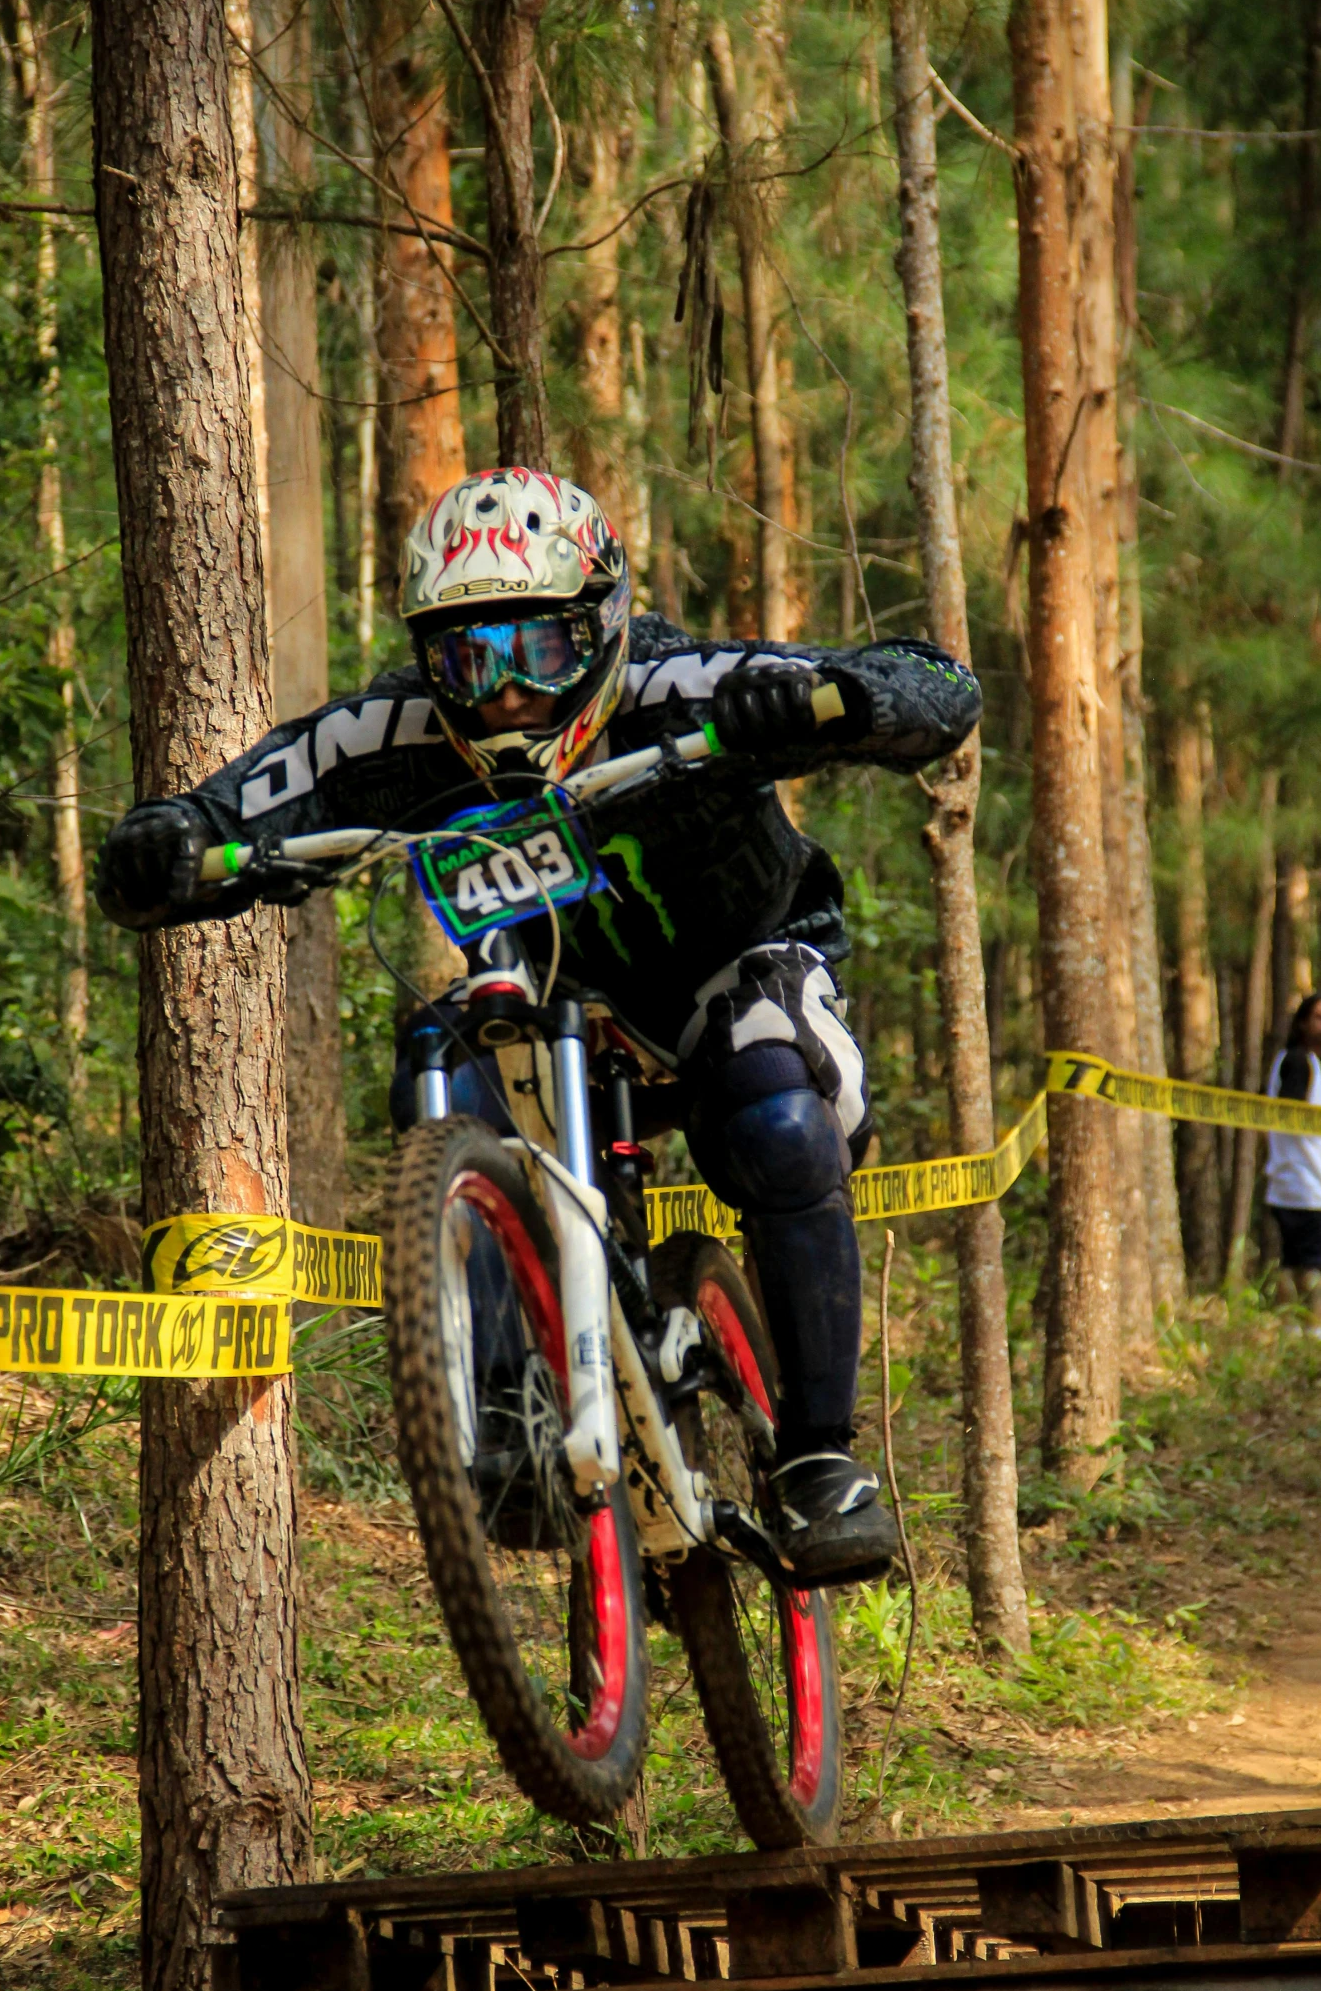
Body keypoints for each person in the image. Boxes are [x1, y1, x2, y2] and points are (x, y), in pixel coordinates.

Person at [95, 469, 982, 1583]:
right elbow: (252, 798)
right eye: (471, 660)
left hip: (735, 968)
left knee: (773, 1107)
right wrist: (172, 843)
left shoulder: (681, 683)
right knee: (453, 1063)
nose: (508, 694)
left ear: (602, 627)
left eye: (540, 653)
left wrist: (853, 703)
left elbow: (936, 683)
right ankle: (502, 1411)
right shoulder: (398, 735)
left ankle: (817, 1460)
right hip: (560, 1005)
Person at [1263, 992, 1321, 1340]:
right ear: (1302, 1023)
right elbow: (1291, 1113)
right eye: (1320, 1018)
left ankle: (1292, 1332)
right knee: (1316, 1267)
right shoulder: (1298, 1062)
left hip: (1288, 1182)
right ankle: (1314, 1333)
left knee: (1292, 1264)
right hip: (1308, 1186)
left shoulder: (1295, 1061)